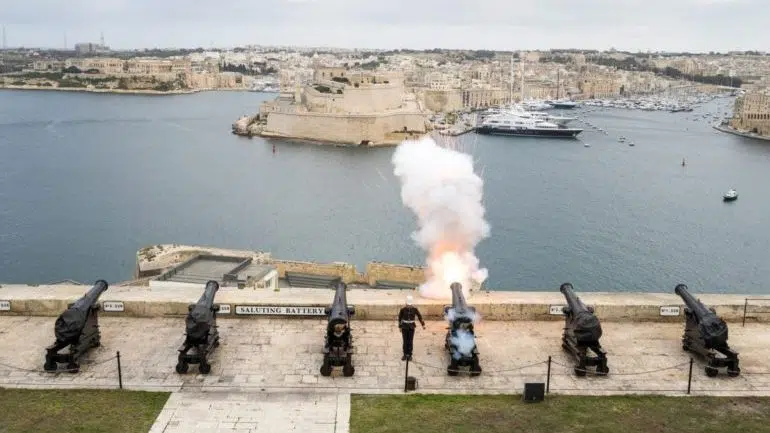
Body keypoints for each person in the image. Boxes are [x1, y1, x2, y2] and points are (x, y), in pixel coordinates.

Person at [398, 295, 425, 361]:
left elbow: (419, 317)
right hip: (404, 327)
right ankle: (405, 354)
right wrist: (400, 327)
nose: (408, 306)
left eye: (409, 304)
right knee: (405, 341)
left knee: (410, 341)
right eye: (407, 304)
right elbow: (400, 318)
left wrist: (423, 324)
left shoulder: (415, 309)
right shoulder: (402, 309)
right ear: (406, 303)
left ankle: (409, 354)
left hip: (411, 327)